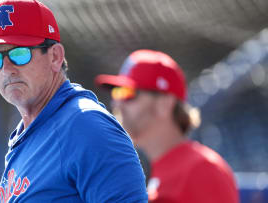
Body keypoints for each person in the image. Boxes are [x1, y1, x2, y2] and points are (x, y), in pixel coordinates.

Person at [0, 0, 148, 202]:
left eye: (19, 54)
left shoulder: (86, 126)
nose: (6, 69)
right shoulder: (28, 134)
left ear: (55, 56)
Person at [95, 49, 239, 203]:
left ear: (164, 104)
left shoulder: (202, 169)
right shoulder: (164, 168)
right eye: (116, 93)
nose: (116, 103)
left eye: (127, 93)